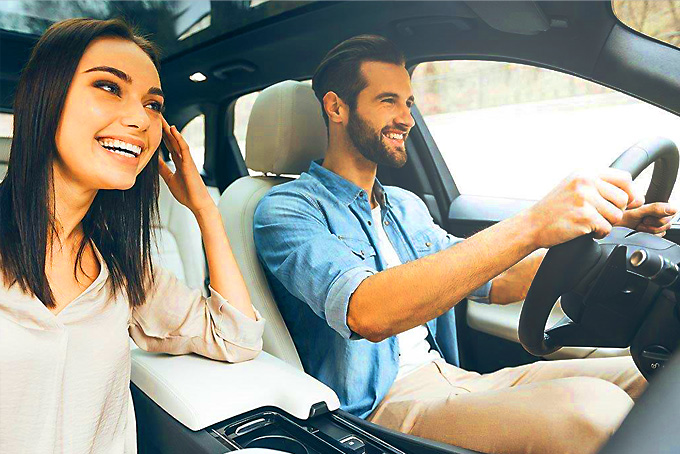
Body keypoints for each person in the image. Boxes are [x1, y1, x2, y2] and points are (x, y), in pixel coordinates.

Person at [253, 35, 677, 454]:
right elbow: (368, 312)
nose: (407, 118)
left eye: (409, 103)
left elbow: (499, 281)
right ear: (336, 107)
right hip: (378, 409)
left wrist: (607, 232)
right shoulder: (286, 211)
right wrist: (534, 223)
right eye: (388, 101)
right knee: (597, 410)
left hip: (455, 378)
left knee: (658, 375)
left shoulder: (403, 205)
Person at [0, 18, 264, 453]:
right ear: (46, 97)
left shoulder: (124, 269)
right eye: (108, 87)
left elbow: (237, 337)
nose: (140, 119)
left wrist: (205, 211)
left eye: (153, 105)